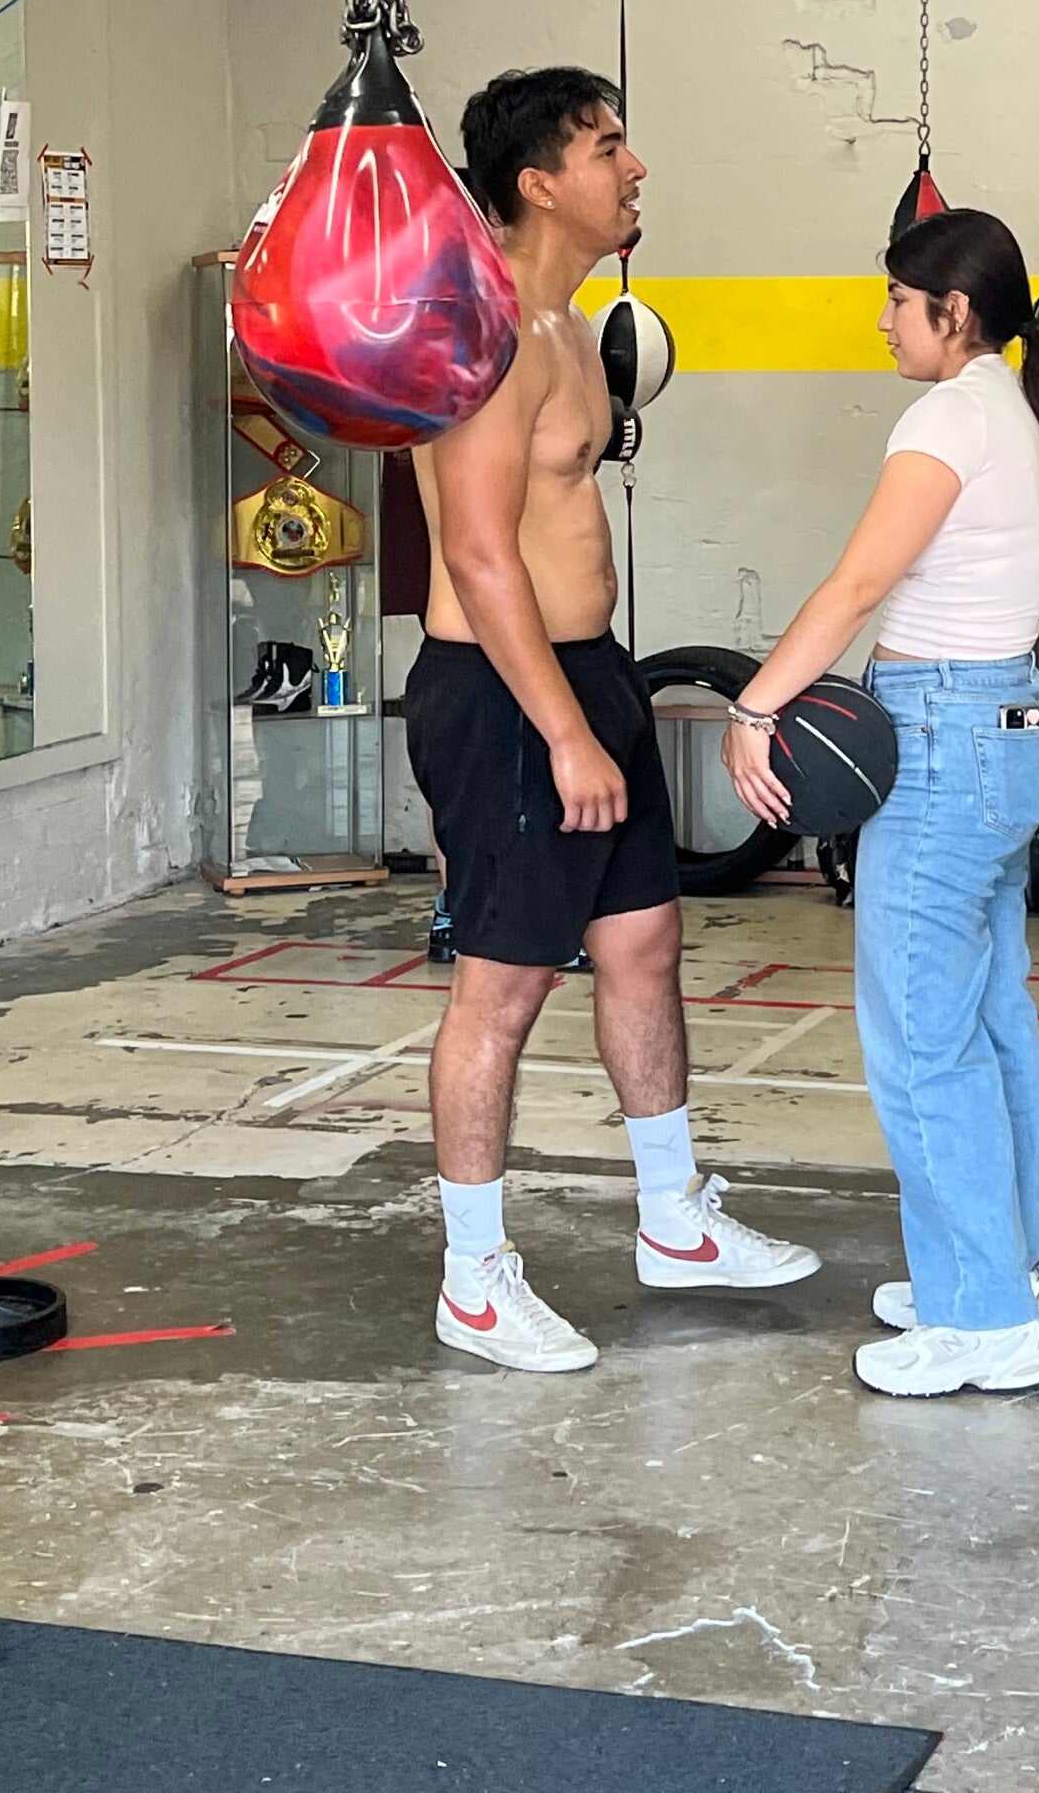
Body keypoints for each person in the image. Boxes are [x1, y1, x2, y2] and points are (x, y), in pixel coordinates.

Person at [407, 66, 818, 1375]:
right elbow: (479, 555)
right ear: (539, 183)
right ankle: (474, 1280)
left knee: (643, 943)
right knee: (504, 985)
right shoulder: (485, 331)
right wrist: (567, 734)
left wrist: (597, 708)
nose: (635, 168)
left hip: (590, 673)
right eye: (607, 147)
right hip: (508, 693)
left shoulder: (576, 326)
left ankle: (675, 1219)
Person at [720, 209, 1039, 1398]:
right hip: (1005, 725)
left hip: (944, 739)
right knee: (988, 1017)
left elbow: (859, 583)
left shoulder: (948, 416)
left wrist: (754, 707)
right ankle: (999, 1272)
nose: (882, 320)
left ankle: (983, 1320)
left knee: (924, 1037)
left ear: (954, 310)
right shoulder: (1015, 408)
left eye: (897, 299)